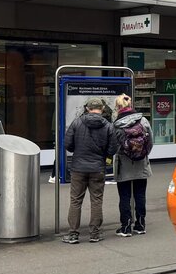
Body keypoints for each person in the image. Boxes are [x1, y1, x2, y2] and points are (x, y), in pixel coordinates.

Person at [63, 98, 114, 244]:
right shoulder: (108, 126)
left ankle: (73, 234)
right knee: (96, 200)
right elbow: (113, 148)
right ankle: (95, 234)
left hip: (78, 168)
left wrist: (77, 150)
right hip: (98, 167)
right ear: (102, 109)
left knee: (75, 200)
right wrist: (103, 155)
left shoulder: (77, 122)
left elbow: (68, 144)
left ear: (87, 108)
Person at [111, 94, 152, 237]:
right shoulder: (143, 120)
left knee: (125, 196)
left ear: (118, 107)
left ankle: (126, 227)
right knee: (140, 195)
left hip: (123, 165)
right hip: (141, 163)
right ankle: (140, 225)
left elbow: (114, 146)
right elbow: (150, 142)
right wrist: (143, 154)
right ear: (131, 104)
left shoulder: (116, 125)